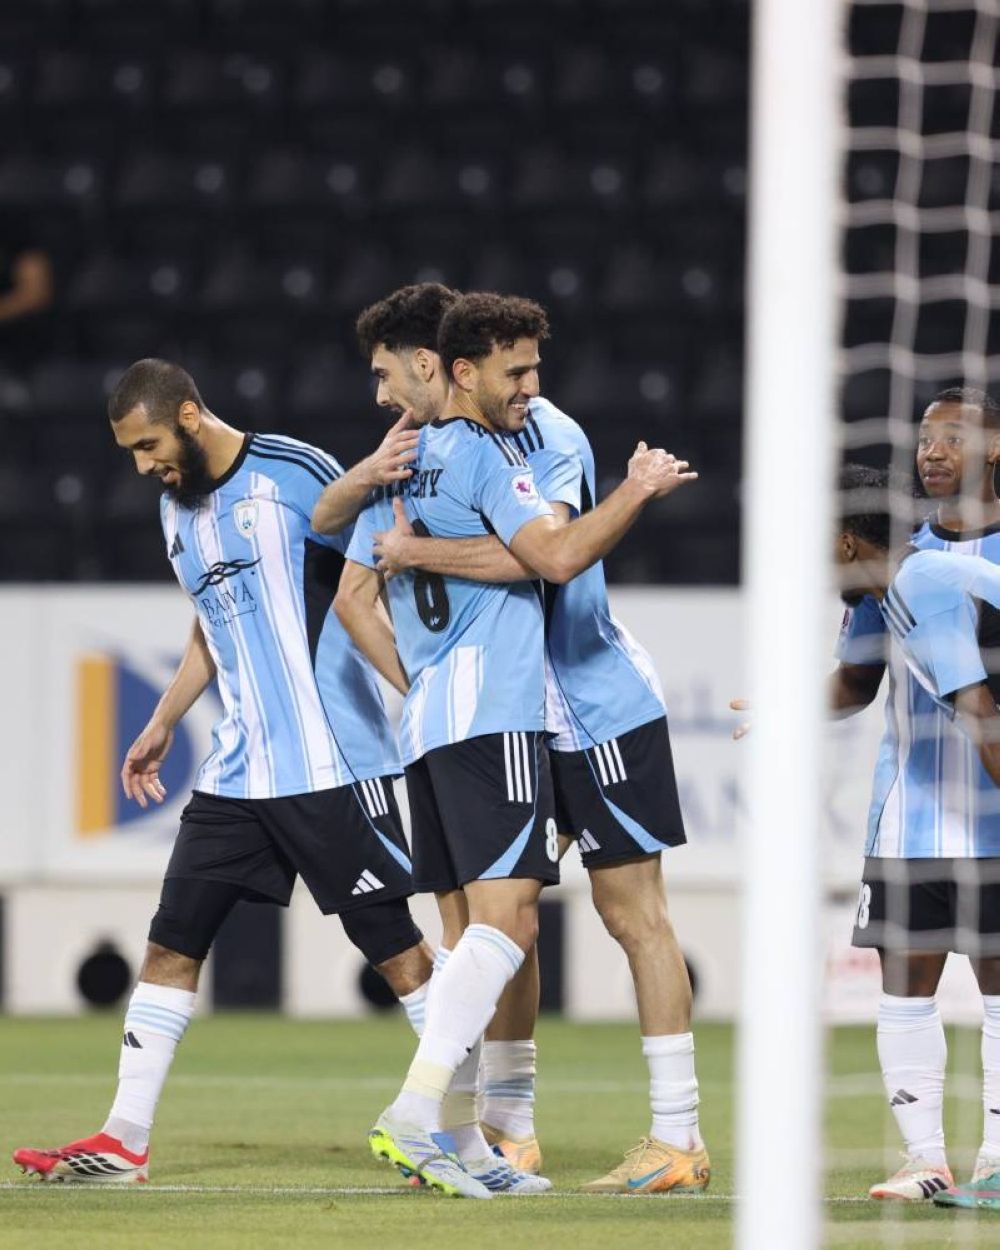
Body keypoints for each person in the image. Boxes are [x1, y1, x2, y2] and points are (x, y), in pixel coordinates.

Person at [13, 358, 433, 1185]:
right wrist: (164, 719)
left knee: (397, 954)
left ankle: (472, 1128)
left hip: (332, 758)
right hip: (239, 770)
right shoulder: (175, 512)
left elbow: (370, 576)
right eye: (130, 454)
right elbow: (211, 624)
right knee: (172, 942)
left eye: (148, 446)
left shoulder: (292, 472)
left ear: (189, 415)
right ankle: (124, 1138)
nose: (143, 467)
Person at [345, 283, 709, 1194]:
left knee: (630, 914)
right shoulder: (426, 452)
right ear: (457, 368)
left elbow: (549, 555)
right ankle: (504, 1129)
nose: (531, 385)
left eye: (533, 369)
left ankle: (678, 1135)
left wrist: (418, 553)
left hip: (589, 701)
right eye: (516, 371)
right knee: (494, 923)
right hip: (504, 709)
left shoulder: (552, 436)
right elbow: (355, 585)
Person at [834, 392, 1000, 1204]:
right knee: (904, 986)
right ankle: (924, 1160)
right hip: (912, 813)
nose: (933, 450)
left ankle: (996, 1163)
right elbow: (857, 679)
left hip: (993, 816)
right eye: (926, 437)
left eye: (954, 436)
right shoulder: (897, 557)